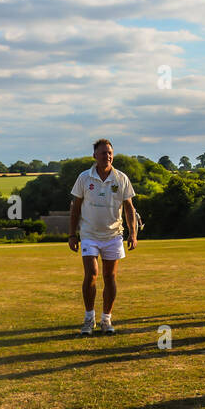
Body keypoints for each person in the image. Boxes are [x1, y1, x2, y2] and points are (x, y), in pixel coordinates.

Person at [68, 139, 138, 335]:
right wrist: (72, 234)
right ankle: (88, 319)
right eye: (103, 153)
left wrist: (133, 233)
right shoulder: (84, 177)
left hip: (113, 235)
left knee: (110, 276)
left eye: (109, 153)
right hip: (89, 234)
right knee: (91, 274)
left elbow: (129, 208)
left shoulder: (121, 178)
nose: (107, 156)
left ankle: (106, 319)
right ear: (94, 156)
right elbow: (76, 208)